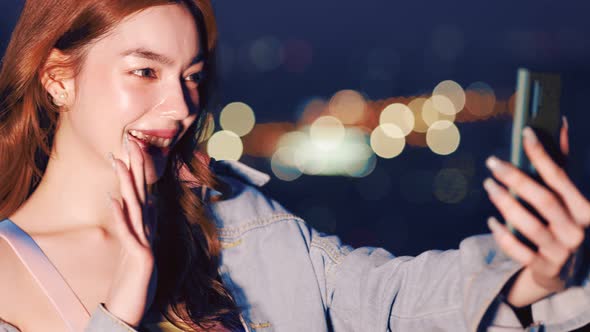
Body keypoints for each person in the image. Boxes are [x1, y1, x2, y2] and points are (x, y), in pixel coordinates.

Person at [0, 0, 589, 331]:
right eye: (145, 71)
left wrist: (530, 278)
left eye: (192, 77)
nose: (181, 106)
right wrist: (124, 305)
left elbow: (379, 299)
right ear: (58, 78)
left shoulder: (229, 216)